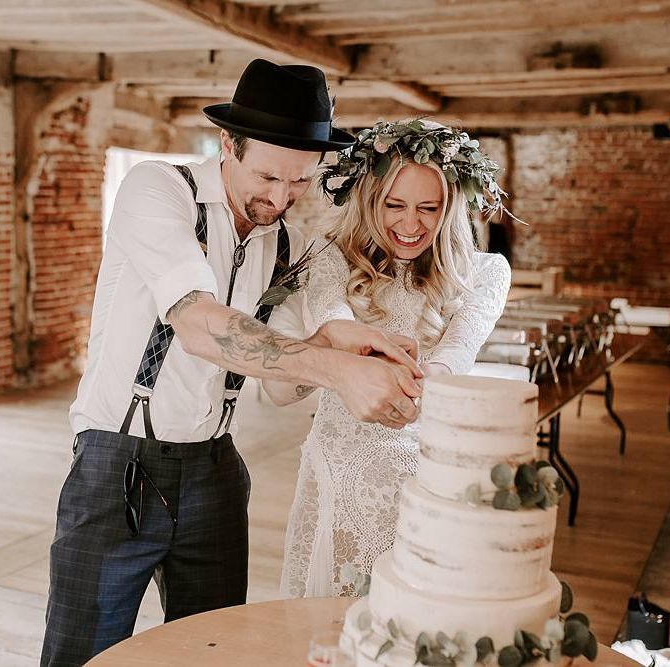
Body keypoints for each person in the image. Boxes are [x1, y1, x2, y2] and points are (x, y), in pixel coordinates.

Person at [41, 60, 423, 666]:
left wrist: (338, 339)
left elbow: (277, 388)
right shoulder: (158, 191)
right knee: (82, 655)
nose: (279, 198)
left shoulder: (283, 242)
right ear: (227, 143)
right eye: (267, 176)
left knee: (213, 652)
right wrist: (337, 372)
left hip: (215, 473)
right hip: (118, 469)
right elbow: (200, 326)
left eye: (299, 183)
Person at [274, 119, 513, 598]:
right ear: (369, 201)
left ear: (451, 210)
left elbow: (452, 357)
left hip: (431, 473)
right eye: (394, 205)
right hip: (342, 468)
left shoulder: (485, 273)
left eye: (429, 208)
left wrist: (425, 379)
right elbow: (333, 321)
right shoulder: (330, 258)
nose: (410, 225)